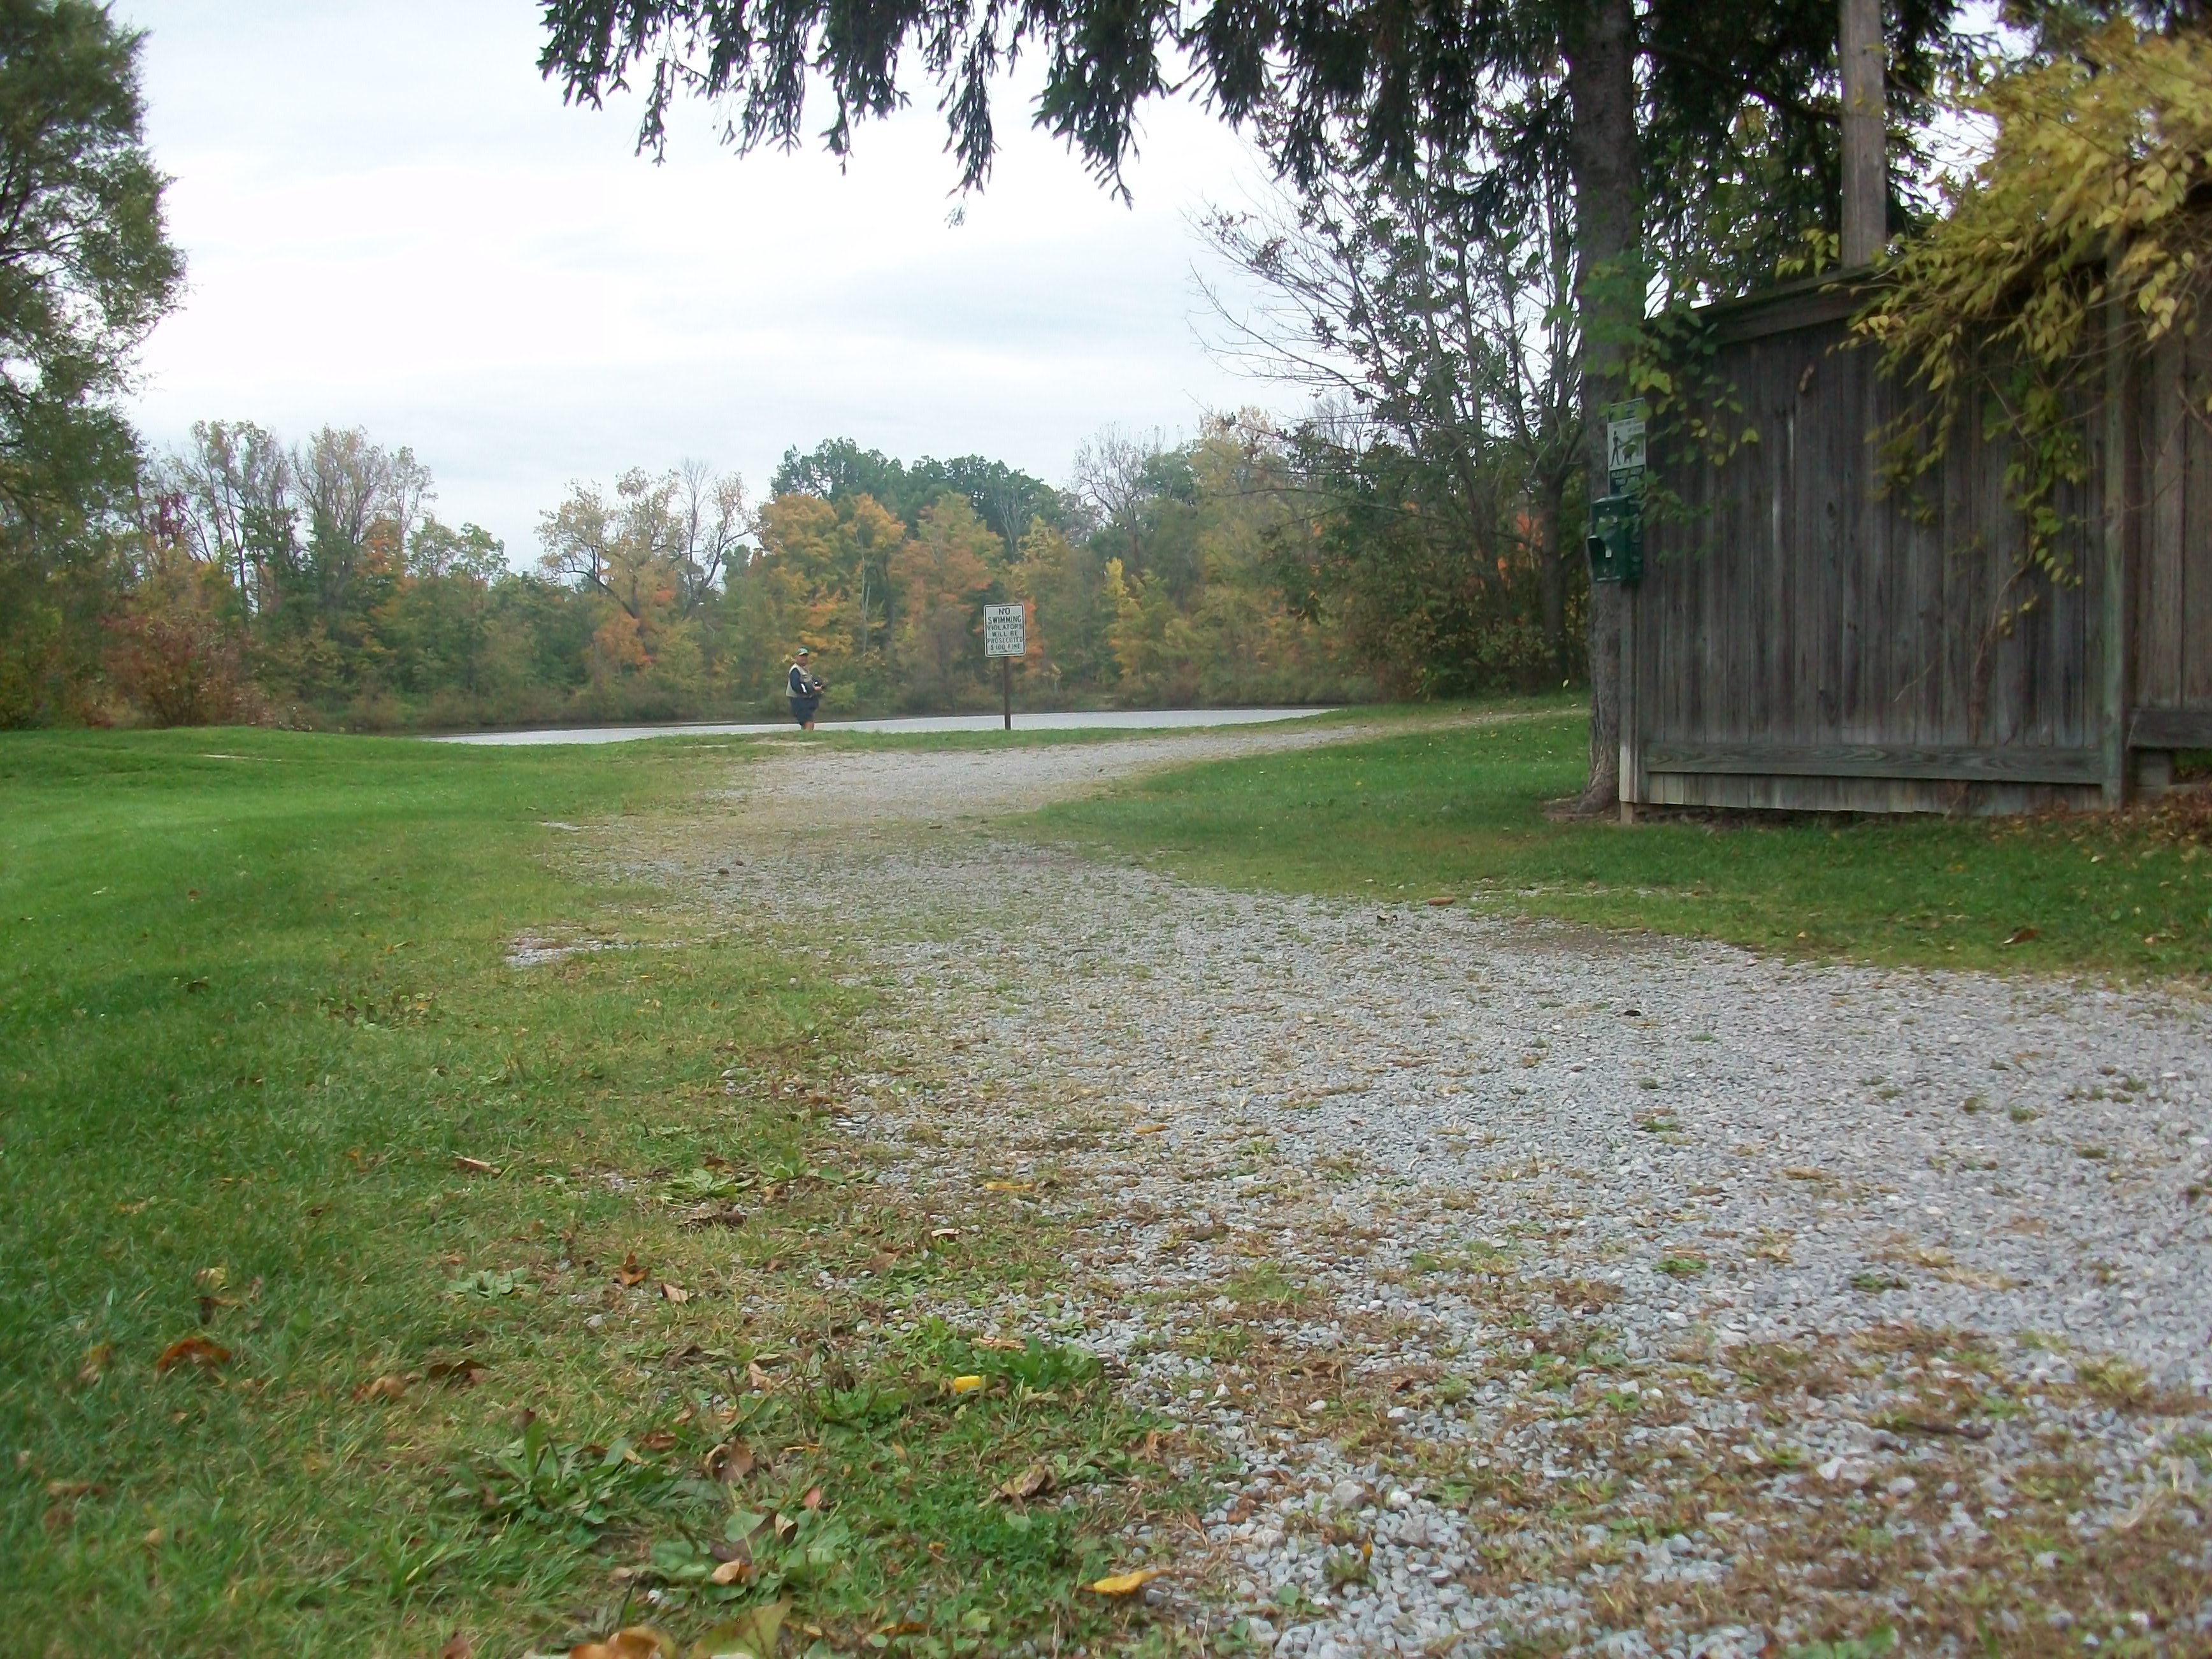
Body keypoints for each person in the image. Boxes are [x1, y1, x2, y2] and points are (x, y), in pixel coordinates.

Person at [786, 648, 824, 729]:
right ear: (796, 657)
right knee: (809, 723)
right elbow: (796, 686)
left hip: (805, 701)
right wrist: (812, 690)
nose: (804, 658)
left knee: (805, 723)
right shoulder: (795, 670)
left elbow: (810, 683)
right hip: (799, 700)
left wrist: (819, 686)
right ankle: (808, 740)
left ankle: (803, 738)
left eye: (806, 656)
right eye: (801, 656)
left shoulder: (805, 670)